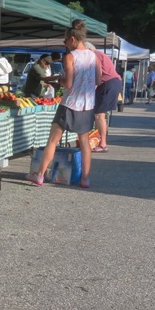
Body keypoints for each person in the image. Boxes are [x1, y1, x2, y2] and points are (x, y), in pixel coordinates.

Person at [26, 19, 101, 189]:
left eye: (65, 40)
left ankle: (39, 175)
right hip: (87, 104)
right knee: (84, 142)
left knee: (53, 139)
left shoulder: (70, 56)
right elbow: (98, 79)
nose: (64, 43)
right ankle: (85, 179)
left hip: (69, 103)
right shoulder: (94, 56)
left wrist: (59, 79)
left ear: (73, 39)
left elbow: (68, 83)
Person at [86, 42, 121, 152]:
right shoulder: (101, 54)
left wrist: (93, 87)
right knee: (100, 114)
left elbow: (98, 73)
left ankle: (103, 144)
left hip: (107, 84)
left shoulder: (94, 55)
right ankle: (99, 141)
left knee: (99, 115)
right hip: (112, 82)